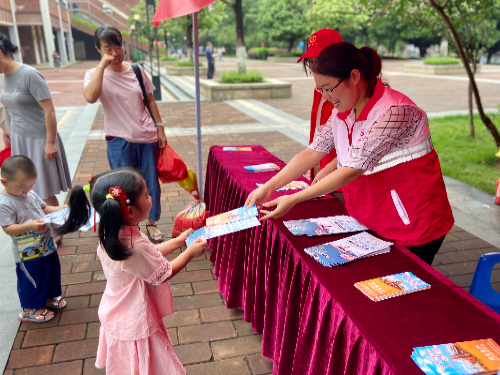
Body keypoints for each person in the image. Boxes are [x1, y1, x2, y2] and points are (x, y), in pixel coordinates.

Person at [246, 42, 454, 265]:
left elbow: (352, 170)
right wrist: (269, 188)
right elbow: (310, 154)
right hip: (375, 217)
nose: (326, 97)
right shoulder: (342, 112)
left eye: (329, 88)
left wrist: (294, 199)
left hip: (414, 223)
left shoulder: (395, 112)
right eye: (320, 90)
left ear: (354, 76)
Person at [54, 169, 208, 374]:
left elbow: (150, 254)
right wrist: (189, 253)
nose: (151, 197)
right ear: (130, 211)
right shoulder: (134, 245)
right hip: (136, 320)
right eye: (146, 194)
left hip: (117, 313)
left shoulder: (112, 233)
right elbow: (164, 273)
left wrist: (179, 242)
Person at [83, 26, 168, 243]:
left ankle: (151, 222)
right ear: (98, 49)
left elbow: (149, 100)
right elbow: (91, 97)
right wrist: (103, 65)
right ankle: (130, 225)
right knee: (123, 186)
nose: (115, 52)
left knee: (149, 182)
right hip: (118, 139)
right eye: (108, 48)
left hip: (147, 136)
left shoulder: (137, 70)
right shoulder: (94, 75)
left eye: (118, 46)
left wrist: (160, 128)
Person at [0, 35, 72, 207]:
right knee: (26, 188)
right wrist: (6, 131)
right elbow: (11, 106)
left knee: (43, 190)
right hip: (19, 138)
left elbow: (50, 111)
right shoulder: (4, 76)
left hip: (39, 139)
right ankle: (42, 226)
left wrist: (50, 142)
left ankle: (57, 228)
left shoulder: (29, 75)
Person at [0, 156, 67, 323]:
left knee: (51, 271)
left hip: (47, 244)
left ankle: (50, 298)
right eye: (23, 186)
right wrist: (29, 226)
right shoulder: (5, 203)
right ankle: (30, 309)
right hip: (27, 251)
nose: (27, 189)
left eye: (31, 185)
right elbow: (7, 228)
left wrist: (61, 209)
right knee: (33, 277)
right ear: (4, 181)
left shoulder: (30, 193)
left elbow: (44, 208)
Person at [297, 29, 343, 184]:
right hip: (319, 174)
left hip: (341, 181)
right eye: (310, 62)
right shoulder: (319, 92)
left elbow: (357, 148)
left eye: (317, 62)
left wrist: (326, 172)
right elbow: (317, 140)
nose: (313, 68)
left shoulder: (350, 96)